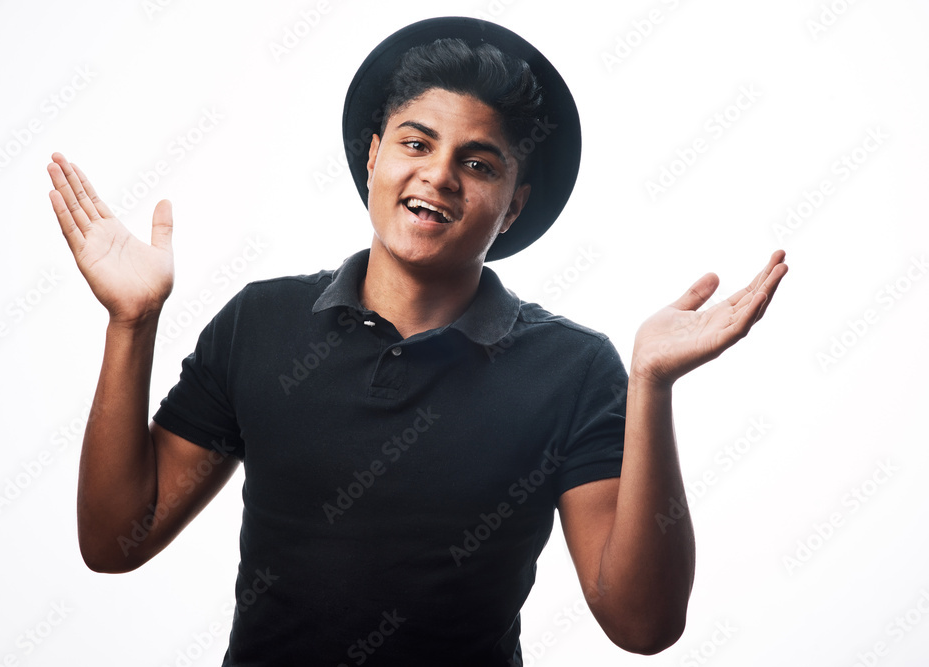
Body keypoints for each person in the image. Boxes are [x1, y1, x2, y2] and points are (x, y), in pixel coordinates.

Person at [46, 17, 787, 666]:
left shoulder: (575, 370)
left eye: (479, 162)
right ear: (372, 155)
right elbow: (116, 541)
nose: (438, 175)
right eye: (415, 142)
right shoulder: (260, 322)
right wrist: (131, 324)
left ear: (513, 207)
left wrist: (651, 386)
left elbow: (643, 625)